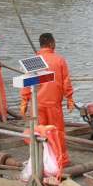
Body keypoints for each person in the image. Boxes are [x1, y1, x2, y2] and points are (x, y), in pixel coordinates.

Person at [20, 33, 75, 167]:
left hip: (37, 104)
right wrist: (69, 98)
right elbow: (66, 82)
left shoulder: (34, 60)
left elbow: (27, 83)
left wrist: (24, 101)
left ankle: (40, 160)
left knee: (38, 132)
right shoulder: (59, 60)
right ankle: (61, 160)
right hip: (53, 104)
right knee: (57, 132)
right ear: (51, 44)